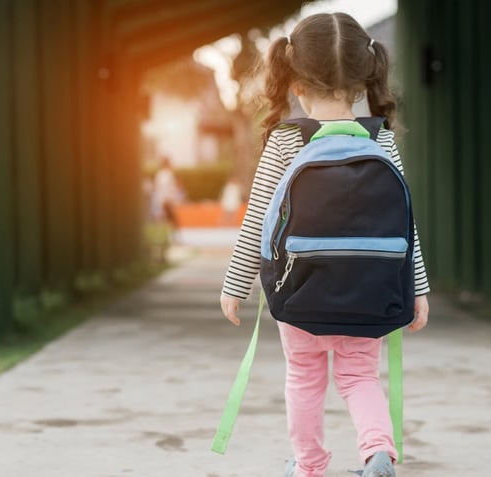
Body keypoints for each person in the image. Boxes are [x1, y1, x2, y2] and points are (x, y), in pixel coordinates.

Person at [218, 13, 430, 477]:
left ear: (294, 81)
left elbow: (257, 222)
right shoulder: (382, 140)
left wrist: (235, 286)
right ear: (361, 81)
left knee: (305, 379)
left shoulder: (284, 141)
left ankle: (310, 465)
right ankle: (377, 454)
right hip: (371, 292)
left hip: (302, 291)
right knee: (358, 377)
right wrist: (418, 289)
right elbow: (405, 225)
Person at [153, 157, 181, 235]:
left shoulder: (161, 174)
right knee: (170, 219)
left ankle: (170, 235)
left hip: (164, 200)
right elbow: (165, 188)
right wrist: (166, 200)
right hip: (166, 200)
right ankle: (172, 235)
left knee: (167, 219)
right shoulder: (166, 174)